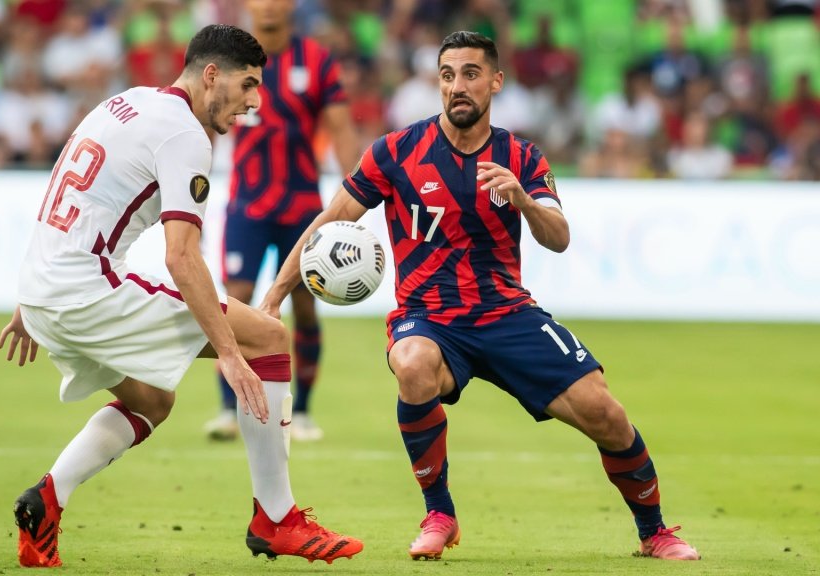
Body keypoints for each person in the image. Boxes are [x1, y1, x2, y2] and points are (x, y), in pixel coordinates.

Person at [259, 31, 700, 562]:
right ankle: (439, 514)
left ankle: (654, 532)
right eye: (447, 75)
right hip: (429, 318)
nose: (457, 87)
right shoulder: (396, 152)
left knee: (605, 412)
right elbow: (330, 221)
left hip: (507, 313)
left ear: (496, 81)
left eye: (470, 74)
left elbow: (558, 237)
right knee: (413, 363)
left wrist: (522, 199)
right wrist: (275, 296)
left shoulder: (521, 156)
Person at [0, 24, 362, 567]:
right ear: (211, 75)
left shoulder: (125, 102)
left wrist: (30, 302)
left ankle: (48, 500)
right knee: (266, 337)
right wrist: (233, 357)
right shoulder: (187, 135)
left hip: (43, 292)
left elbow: (67, 197)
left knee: (153, 401)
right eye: (247, 86)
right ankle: (277, 519)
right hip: (85, 292)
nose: (254, 103)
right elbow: (181, 256)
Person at [203, 0, 360, 443]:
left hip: (302, 208)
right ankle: (228, 408)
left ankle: (304, 411)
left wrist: (358, 192)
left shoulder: (317, 62)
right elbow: (203, 120)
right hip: (247, 205)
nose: (268, 6)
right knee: (236, 300)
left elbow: (342, 129)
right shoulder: (231, 63)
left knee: (307, 306)